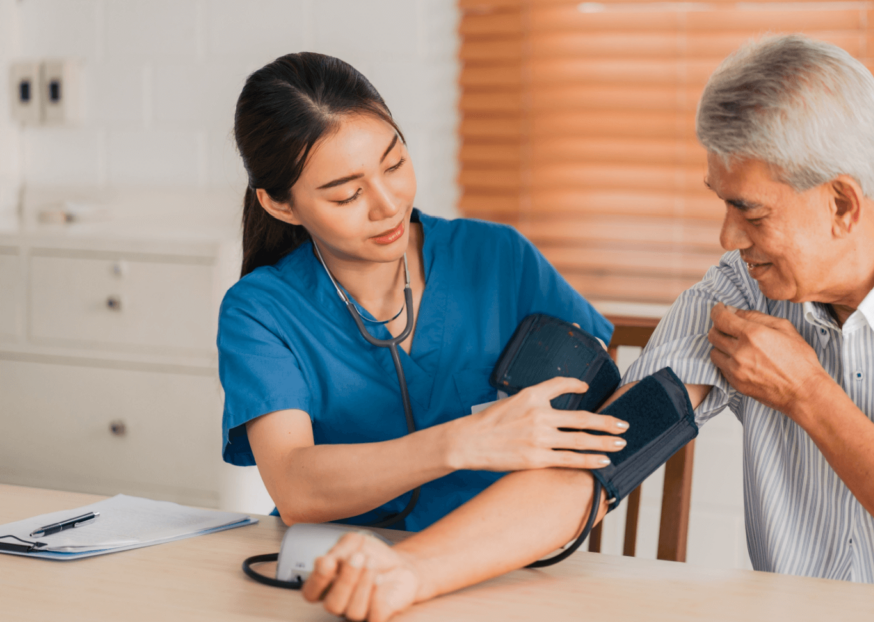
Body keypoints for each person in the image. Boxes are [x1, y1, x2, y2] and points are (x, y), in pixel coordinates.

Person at [296, 35, 874, 620]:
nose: (725, 237)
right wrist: (410, 571)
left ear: (841, 203)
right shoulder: (739, 296)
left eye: (752, 212)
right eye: (722, 203)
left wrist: (811, 396)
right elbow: (596, 463)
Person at [217, 52, 630, 532]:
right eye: (347, 195)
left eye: (394, 164)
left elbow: (596, 405)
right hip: (339, 564)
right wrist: (464, 441)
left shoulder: (498, 258)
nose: (389, 205)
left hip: (498, 556)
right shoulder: (262, 311)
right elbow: (296, 489)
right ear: (281, 206)